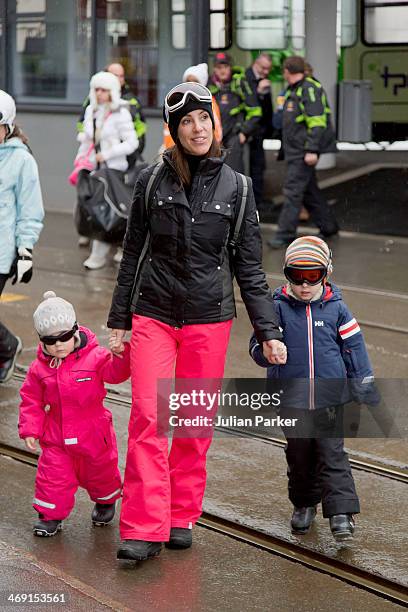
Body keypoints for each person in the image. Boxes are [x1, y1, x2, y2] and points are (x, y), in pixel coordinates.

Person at [107, 81, 287, 561]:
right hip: (154, 316)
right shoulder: (149, 182)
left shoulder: (239, 188)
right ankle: (143, 526)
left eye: (202, 118)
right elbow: (132, 255)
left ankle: (180, 514)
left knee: (191, 421)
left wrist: (268, 331)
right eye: (185, 121)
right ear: (174, 131)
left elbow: (250, 268)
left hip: (209, 320)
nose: (196, 128)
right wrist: (119, 318)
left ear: (214, 122)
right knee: (148, 416)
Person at [249, 236, 377, 541]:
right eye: (297, 276)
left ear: (326, 274)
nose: (305, 284)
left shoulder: (338, 310)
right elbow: (257, 344)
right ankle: (304, 504)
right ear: (287, 275)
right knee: (300, 453)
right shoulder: (276, 309)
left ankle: (342, 511)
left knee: (332, 452)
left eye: (313, 276)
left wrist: (364, 385)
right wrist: (266, 351)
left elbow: (355, 349)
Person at [18, 291, 130, 537]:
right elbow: (31, 400)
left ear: (75, 331)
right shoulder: (39, 368)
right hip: (57, 436)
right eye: (50, 340)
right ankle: (49, 515)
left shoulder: (96, 356)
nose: (58, 344)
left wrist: (120, 354)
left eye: (64, 337)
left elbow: (116, 374)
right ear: (42, 340)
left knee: (101, 472)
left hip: (93, 432)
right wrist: (30, 428)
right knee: (53, 477)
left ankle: (105, 500)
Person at [268, 56, 338, 249]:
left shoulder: (308, 89)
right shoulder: (295, 89)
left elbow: (317, 122)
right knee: (309, 191)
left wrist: (311, 149)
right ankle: (329, 226)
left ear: (287, 71)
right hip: (296, 150)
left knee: (292, 191)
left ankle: (285, 234)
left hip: (302, 151)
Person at [0, 90, 44, 383]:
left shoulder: (21, 160)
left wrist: (25, 251)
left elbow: (30, 210)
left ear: (7, 125)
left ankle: (7, 347)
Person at [75, 71, 138, 269]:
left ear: (112, 91)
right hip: (95, 169)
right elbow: (87, 139)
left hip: (114, 170)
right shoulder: (91, 111)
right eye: (97, 89)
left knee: (113, 209)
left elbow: (132, 143)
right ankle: (100, 253)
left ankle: (109, 252)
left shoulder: (121, 112)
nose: (100, 93)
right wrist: (80, 161)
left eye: (104, 89)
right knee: (97, 209)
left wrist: (109, 154)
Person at [78, 62, 147, 159]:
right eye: (115, 75)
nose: (119, 79)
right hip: (95, 158)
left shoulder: (131, 100)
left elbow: (140, 127)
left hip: (123, 158)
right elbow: (82, 124)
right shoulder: (93, 101)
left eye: (121, 76)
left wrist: (136, 150)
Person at [208, 52, 262, 173]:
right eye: (219, 67)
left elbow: (255, 111)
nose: (222, 71)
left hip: (234, 136)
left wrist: (244, 132)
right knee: (212, 174)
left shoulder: (240, 84)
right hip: (212, 138)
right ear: (214, 69)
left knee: (234, 174)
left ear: (230, 68)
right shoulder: (208, 86)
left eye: (225, 67)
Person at [162, 63, 222, 149]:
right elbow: (168, 132)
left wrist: (207, 151)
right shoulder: (176, 102)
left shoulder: (209, 101)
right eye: (188, 80)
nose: (191, 84)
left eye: (195, 81)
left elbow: (217, 133)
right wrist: (174, 152)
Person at [245, 53, 274, 208]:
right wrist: (258, 92)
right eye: (263, 68)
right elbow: (248, 102)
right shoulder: (246, 77)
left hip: (260, 129)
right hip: (250, 130)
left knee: (259, 166)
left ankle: (258, 199)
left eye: (268, 69)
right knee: (250, 166)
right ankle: (253, 202)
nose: (265, 72)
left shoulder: (262, 79)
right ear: (256, 63)